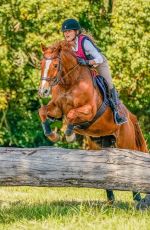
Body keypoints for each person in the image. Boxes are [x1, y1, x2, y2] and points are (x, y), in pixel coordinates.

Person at [61, 18, 127, 125]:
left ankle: (117, 111)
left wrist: (87, 62)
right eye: (65, 32)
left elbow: (99, 59)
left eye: (69, 31)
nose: (66, 34)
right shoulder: (66, 45)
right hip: (84, 67)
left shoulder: (84, 42)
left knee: (108, 85)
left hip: (98, 63)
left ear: (76, 32)